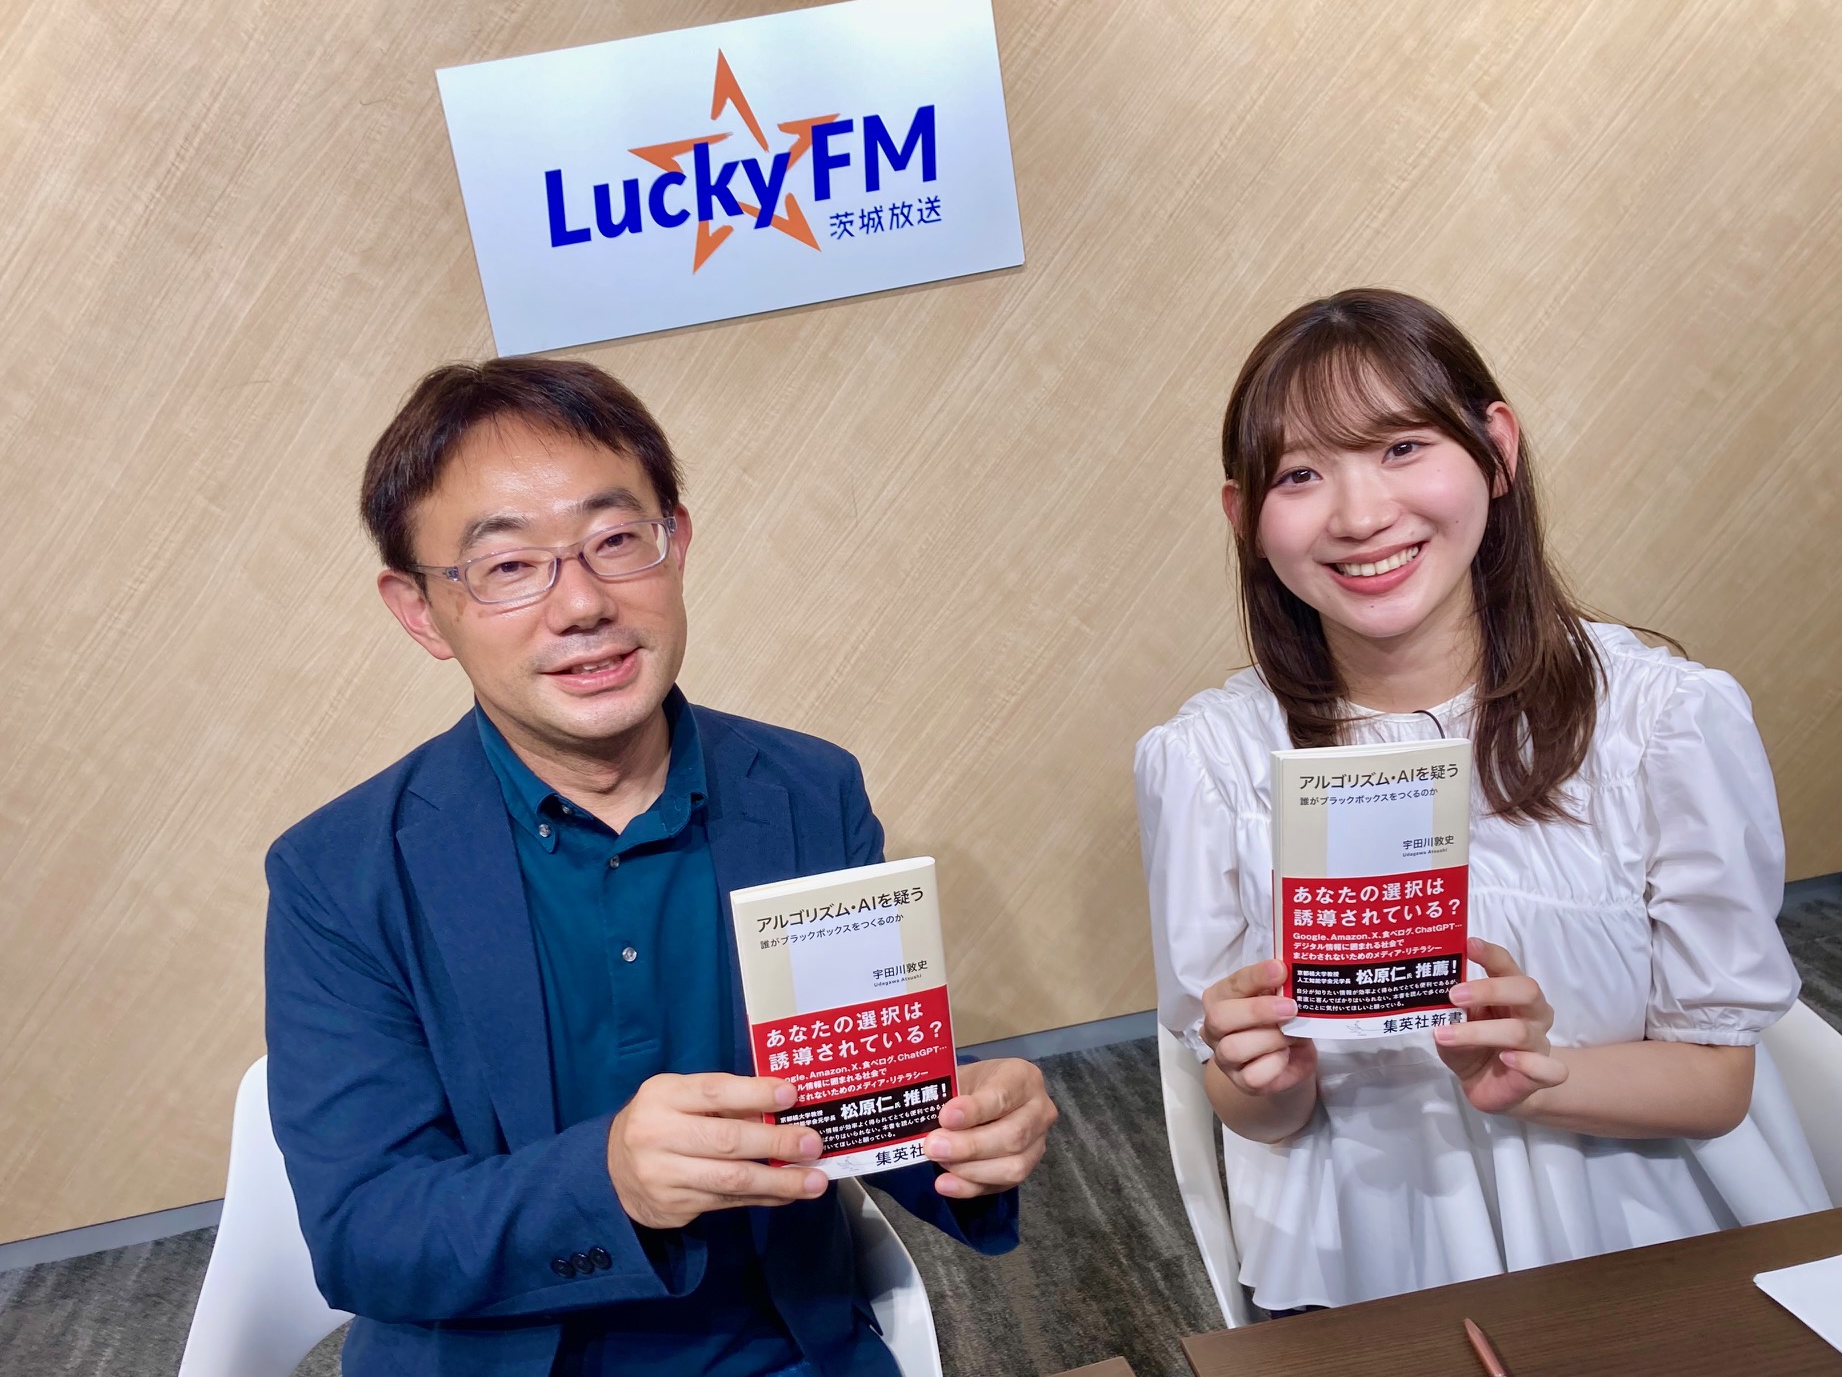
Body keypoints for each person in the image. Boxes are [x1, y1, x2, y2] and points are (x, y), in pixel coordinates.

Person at [264, 358, 1058, 1377]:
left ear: (675, 543)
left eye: (614, 540)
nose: (581, 603)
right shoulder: (340, 873)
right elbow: (364, 1232)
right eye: (508, 566)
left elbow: (860, 1101)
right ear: (420, 609)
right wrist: (608, 1181)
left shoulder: (808, 791)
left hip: (778, 1353)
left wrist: (964, 1128)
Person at [1135, 289, 1829, 1312]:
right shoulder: (1206, 762)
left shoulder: (1663, 720)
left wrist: (1541, 1073)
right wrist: (1265, 1078)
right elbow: (1253, 1111)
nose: (1361, 515)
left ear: (1496, 450)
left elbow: (1717, 1082)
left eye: (1402, 447)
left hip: (1640, 1227)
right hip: (1372, 1251)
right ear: (1246, 518)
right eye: (1300, 474)